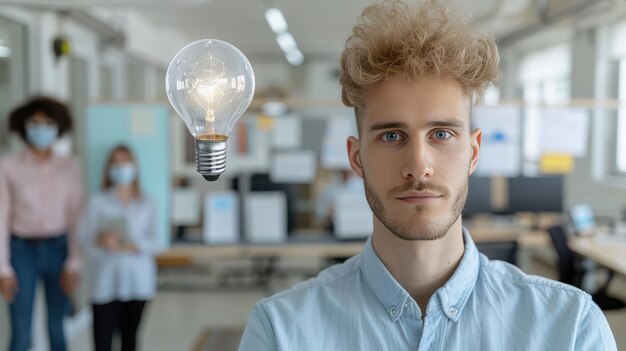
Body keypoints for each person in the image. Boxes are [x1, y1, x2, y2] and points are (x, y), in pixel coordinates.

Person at [239, 1, 617, 350]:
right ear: (356, 158)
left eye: (441, 134)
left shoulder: (570, 328)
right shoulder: (281, 332)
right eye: (391, 136)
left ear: (473, 152)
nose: (418, 165)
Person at [0, 96, 83, 351]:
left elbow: (77, 216)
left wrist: (74, 262)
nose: (41, 129)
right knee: (21, 333)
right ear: (23, 127)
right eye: (34, 123)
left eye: (47, 123)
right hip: (21, 250)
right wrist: (3, 269)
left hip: (59, 250)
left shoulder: (70, 166)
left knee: (57, 329)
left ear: (58, 127)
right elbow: (1, 217)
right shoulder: (8, 166)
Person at [80, 145, 161, 351]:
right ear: (108, 168)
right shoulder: (97, 201)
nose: (120, 167)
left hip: (138, 282)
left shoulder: (147, 202)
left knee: (130, 338)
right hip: (105, 280)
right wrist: (102, 241)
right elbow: (85, 241)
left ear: (134, 166)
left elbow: (157, 242)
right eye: (115, 162)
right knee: (102, 340)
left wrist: (131, 245)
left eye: (125, 161)